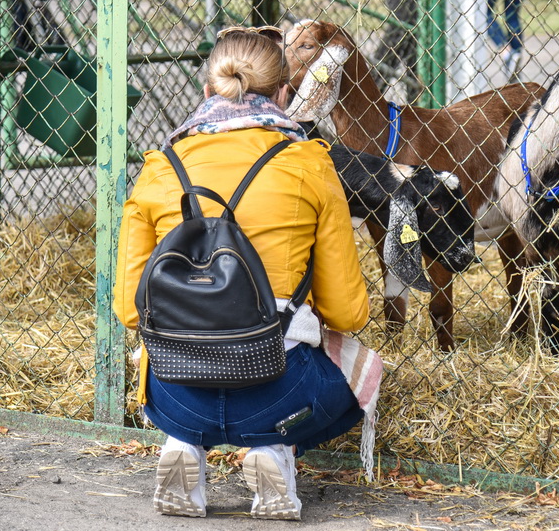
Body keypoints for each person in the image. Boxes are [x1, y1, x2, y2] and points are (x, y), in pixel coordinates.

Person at [114, 27, 376, 520]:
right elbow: (348, 313)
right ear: (283, 94)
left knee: (157, 352)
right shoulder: (310, 164)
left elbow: (130, 310)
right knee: (360, 371)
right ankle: (273, 447)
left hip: (175, 391)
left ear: (208, 91)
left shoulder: (160, 167)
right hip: (280, 388)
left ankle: (183, 443)